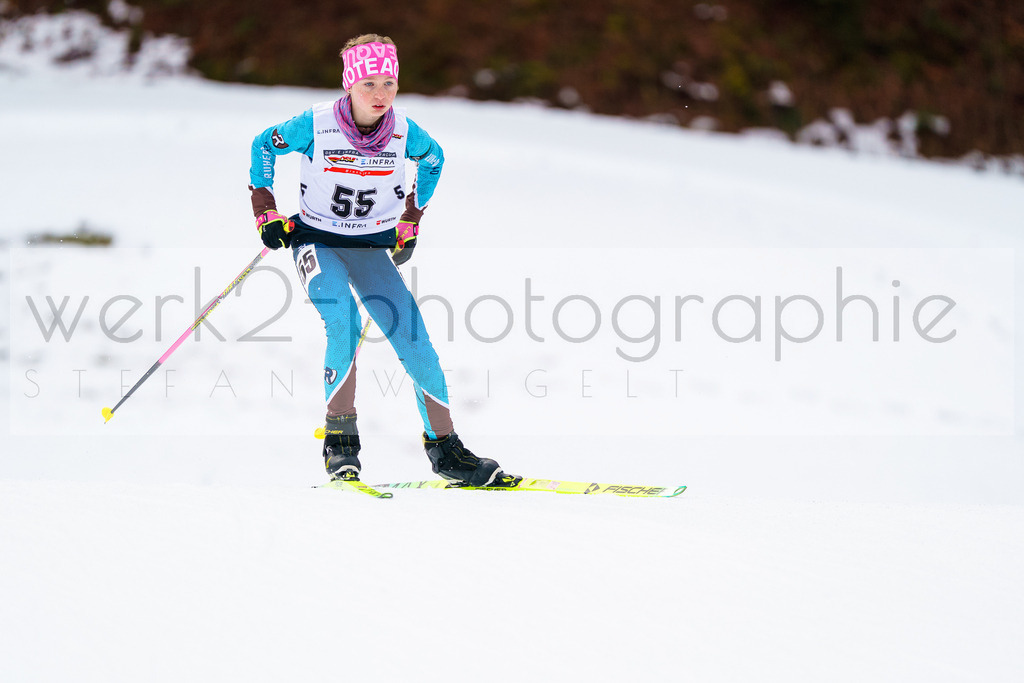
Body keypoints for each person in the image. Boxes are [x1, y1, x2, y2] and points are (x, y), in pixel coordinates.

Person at [248, 34, 515, 488]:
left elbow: (434, 161)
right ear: (349, 84)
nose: (380, 94)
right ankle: (341, 444)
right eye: (369, 82)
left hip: (370, 246)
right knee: (344, 321)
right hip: (317, 241)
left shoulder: (406, 133)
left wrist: (412, 217)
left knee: (413, 337)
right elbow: (262, 147)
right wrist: (266, 209)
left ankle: (446, 449)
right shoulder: (314, 125)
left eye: (389, 82)